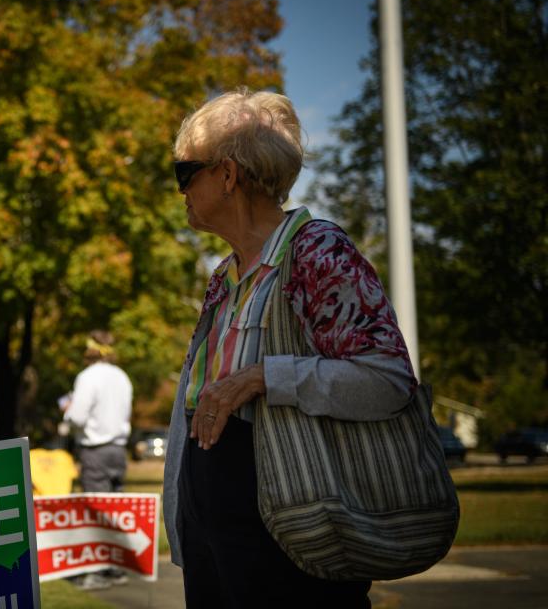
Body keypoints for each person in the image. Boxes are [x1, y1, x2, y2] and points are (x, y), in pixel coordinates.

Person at [162, 88, 416, 608]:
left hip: (291, 538)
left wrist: (262, 377)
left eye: (185, 173)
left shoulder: (317, 252)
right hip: (219, 540)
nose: (180, 190)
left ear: (227, 176)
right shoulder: (223, 277)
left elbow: (388, 380)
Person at [61, 330, 133, 589]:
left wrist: (67, 412)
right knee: (114, 510)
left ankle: (97, 571)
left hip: (96, 451)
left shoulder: (87, 377)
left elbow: (78, 417)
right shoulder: (122, 377)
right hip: (118, 450)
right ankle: (115, 568)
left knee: (95, 509)